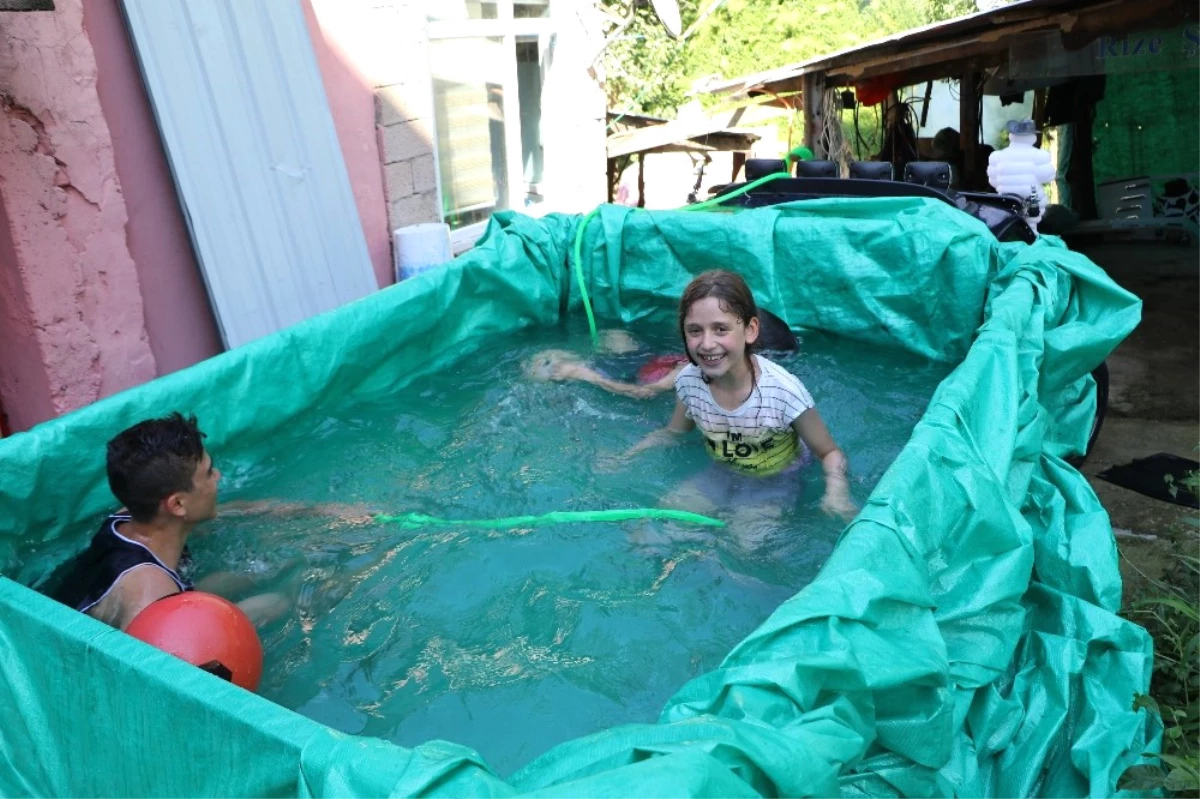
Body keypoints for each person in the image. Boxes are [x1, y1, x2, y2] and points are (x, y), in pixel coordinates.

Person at [624, 270, 856, 520]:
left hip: (775, 480)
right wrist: (625, 457)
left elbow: (830, 453)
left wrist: (836, 493)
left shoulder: (784, 392)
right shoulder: (689, 382)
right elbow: (674, 432)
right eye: (694, 331)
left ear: (750, 330)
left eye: (720, 329)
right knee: (653, 530)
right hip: (720, 472)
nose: (707, 343)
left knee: (741, 547)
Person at [49, 413, 304, 631]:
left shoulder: (135, 513)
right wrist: (292, 598)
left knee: (267, 567)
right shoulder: (149, 596)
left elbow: (232, 511)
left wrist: (313, 510)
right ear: (177, 505)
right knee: (278, 603)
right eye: (208, 473)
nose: (218, 476)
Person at [525, 309, 799, 400]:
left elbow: (644, 394)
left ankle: (563, 368)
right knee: (614, 336)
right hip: (652, 359)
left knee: (540, 369)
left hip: (638, 377)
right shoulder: (709, 360)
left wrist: (585, 375)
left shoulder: (694, 373)